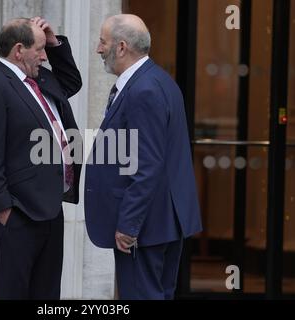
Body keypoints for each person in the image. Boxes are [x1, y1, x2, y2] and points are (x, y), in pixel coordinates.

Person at [84, 14, 202, 300]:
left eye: (103, 42)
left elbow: (147, 165)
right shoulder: (159, 80)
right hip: (162, 223)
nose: (99, 49)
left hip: (146, 227)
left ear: (121, 47)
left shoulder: (143, 90)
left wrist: (128, 225)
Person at [0, 17, 82, 300]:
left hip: (51, 207)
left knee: (46, 294)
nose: (45, 57)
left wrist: (55, 42)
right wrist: (4, 211)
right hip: (20, 212)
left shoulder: (40, 79)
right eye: (41, 49)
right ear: (19, 50)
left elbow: (72, 82)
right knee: (12, 292)